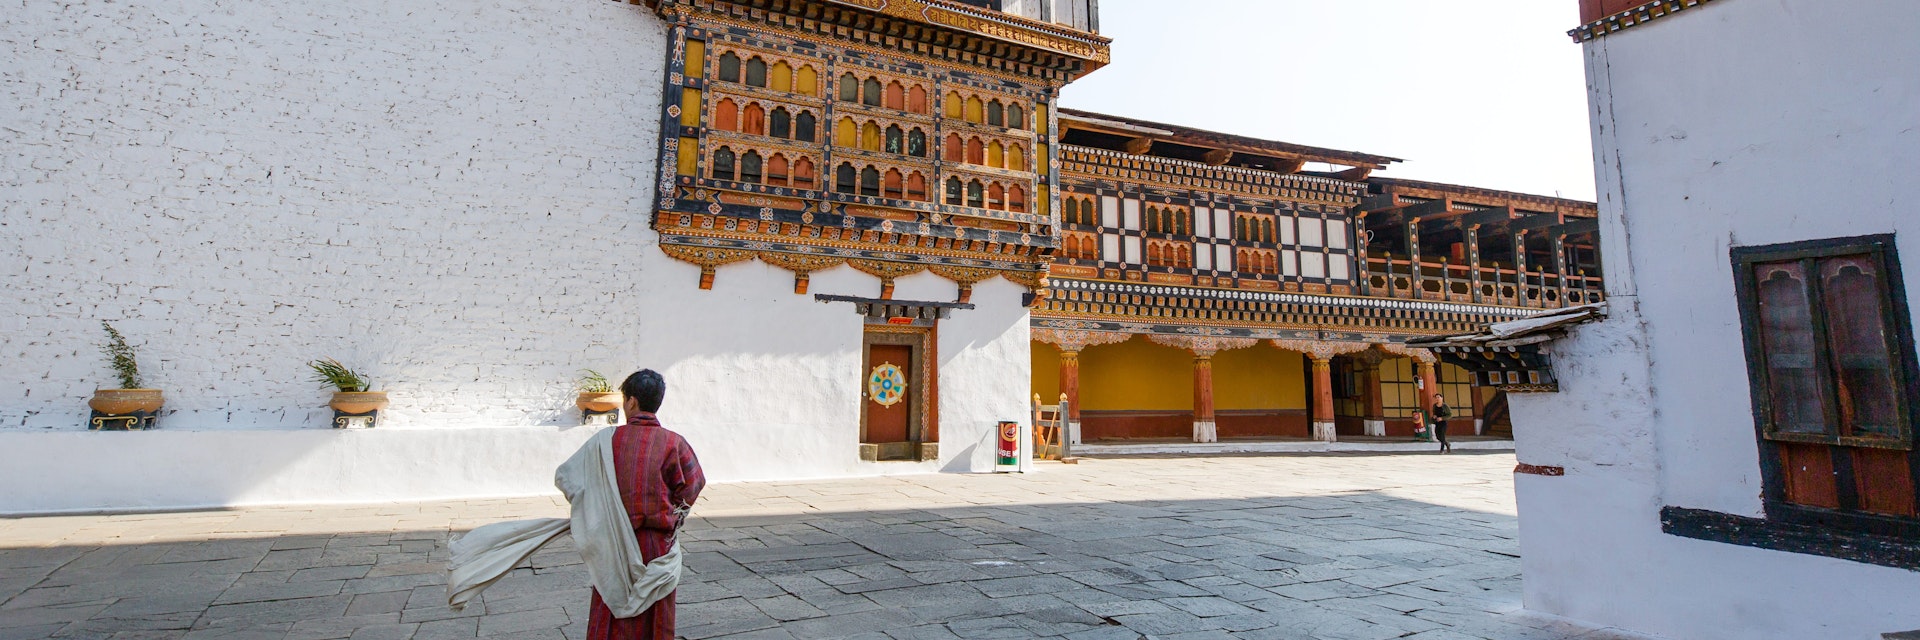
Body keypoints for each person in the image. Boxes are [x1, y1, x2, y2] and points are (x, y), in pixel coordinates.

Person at [591, 369, 705, 640]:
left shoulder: (605, 442)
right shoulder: (674, 442)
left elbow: (575, 481)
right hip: (657, 547)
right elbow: (694, 483)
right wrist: (673, 513)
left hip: (615, 545)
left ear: (631, 401)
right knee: (655, 617)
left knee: (611, 612)